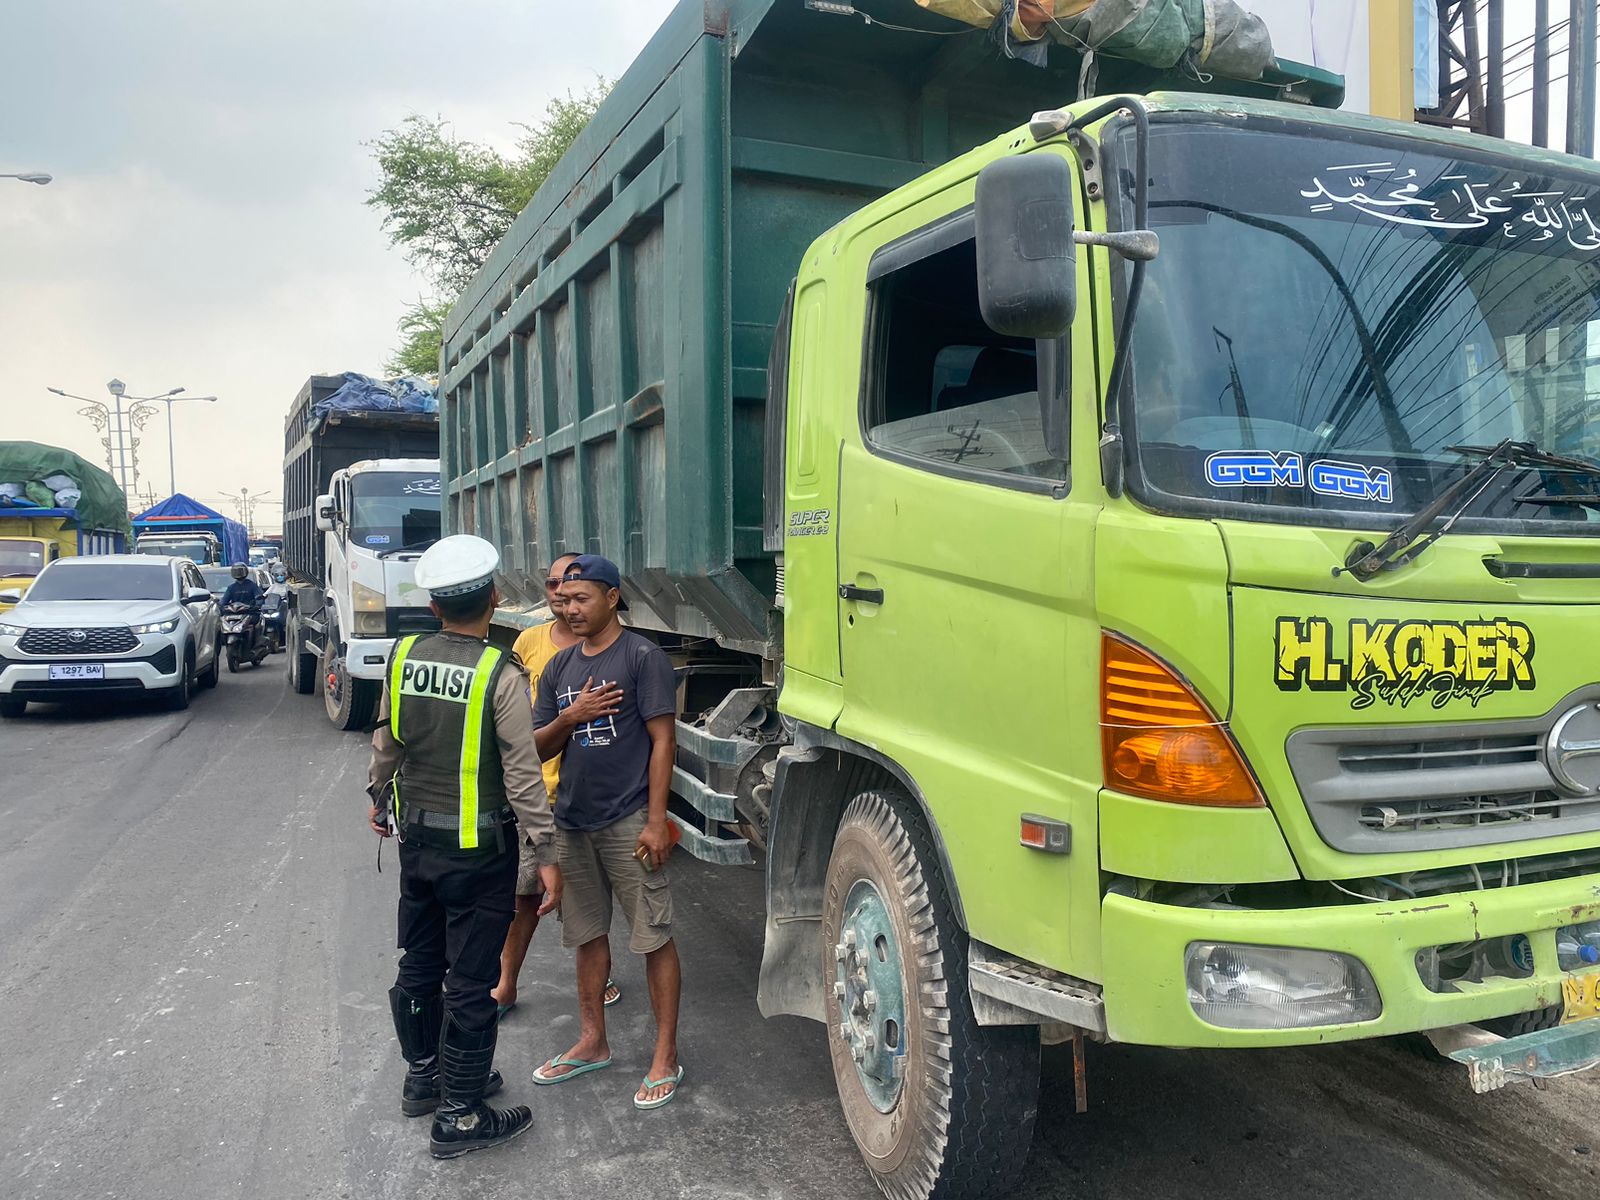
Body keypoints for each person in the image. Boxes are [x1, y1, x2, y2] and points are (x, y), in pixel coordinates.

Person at [366, 534, 563, 1159]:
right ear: (496, 600)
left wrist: (378, 799)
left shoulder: (401, 659)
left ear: (433, 607)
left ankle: (427, 1076)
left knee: (419, 962)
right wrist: (548, 854)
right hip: (480, 853)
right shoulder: (498, 674)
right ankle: (460, 1114)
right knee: (472, 981)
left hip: (417, 843)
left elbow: (386, 743)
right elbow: (523, 774)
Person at [530, 554, 684, 1110]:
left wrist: (655, 819)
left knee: (653, 936)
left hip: (628, 821)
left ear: (612, 597)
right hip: (572, 822)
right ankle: (593, 1041)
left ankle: (665, 1054)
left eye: (581, 599)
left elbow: (663, 742)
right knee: (585, 936)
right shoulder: (560, 669)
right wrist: (573, 717)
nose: (570, 609)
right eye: (564, 600)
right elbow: (539, 746)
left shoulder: (643, 658)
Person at [493, 552, 622, 1017]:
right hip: (535, 793)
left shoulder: (617, 652)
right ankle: (506, 984)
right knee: (525, 895)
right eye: (553, 587)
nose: (561, 598)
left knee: (583, 903)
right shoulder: (528, 642)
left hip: (582, 799)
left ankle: (597, 979)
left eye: (572, 590)